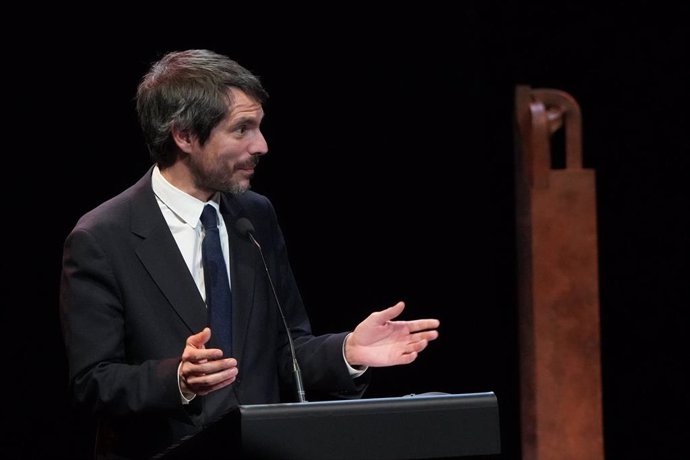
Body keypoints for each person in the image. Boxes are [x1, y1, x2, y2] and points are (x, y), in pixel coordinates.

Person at [59, 49, 440, 460]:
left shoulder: (255, 216)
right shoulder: (102, 237)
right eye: (242, 129)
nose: (262, 145)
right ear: (184, 135)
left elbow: (284, 348)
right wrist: (179, 380)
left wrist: (346, 351)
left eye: (258, 127)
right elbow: (93, 383)